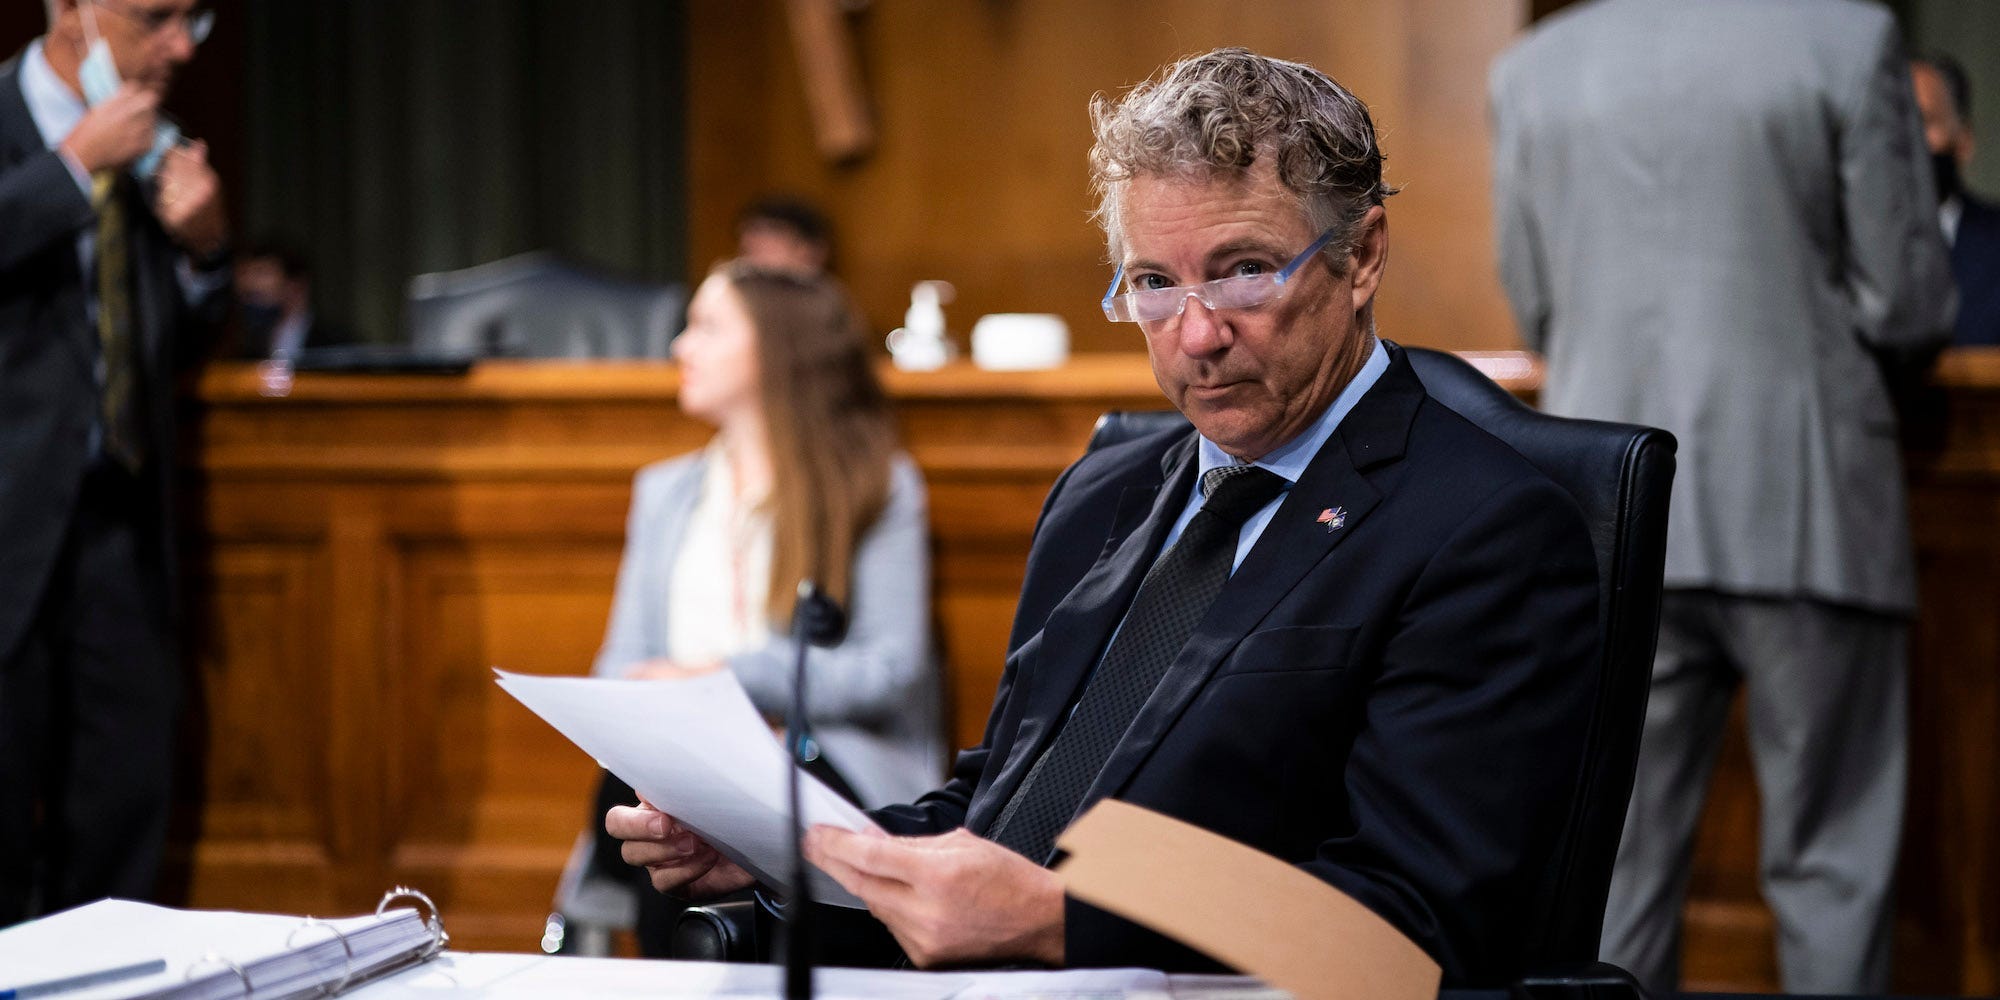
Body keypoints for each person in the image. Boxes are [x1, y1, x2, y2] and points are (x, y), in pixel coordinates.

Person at [610, 48, 1602, 986]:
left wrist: (1055, 919)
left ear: (1362, 255)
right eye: (1153, 284)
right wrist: (783, 851)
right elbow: (993, 810)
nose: (1197, 334)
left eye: (1245, 268)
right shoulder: (1104, 492)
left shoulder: (1485, 529)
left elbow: (1412, 929)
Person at [1490, 1, 1955, 992]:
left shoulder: (1533, 69)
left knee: (1615, 866)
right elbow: (1904, 300)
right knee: (1829, 859)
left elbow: (1533, 300)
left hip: (1605, 505)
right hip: (1802, 492)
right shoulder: (1843, 36)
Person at [556, 261, 943, 954]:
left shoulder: (875, 485)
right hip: (682, 759)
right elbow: (620, 660)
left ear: (774, 347)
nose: (679, 347)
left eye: (706, 326)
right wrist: (673, 710)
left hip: (817, 758)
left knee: (721, 797)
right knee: (651, 790)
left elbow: (890, 670)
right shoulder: (664, 491)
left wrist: (725, 682)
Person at [0, 0, 228, 926]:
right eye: (154, 17)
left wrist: (208, 253)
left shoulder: (157, 145)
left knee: (122, 831)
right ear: (70, 9)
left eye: (194, 19)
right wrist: (68, 171)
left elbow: (184, 343)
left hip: (123, 535)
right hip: (7, 536)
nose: (179, 46)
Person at [1913, 52, 2000, 347]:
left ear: (1963, 141)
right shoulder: (1839, 247)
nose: (1906, 139)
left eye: (1923, 121)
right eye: (1891, 121)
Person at [233, 237, 343, 359]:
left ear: (296, 285)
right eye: (244, 273)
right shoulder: (239, 344)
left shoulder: (337, 345)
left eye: (261, 272)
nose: (249, 284)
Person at [735, 196, 833, 275]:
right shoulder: (727, 292)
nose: (748, 242)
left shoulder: (833, 297)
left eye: (770, 231)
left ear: (811, 250)